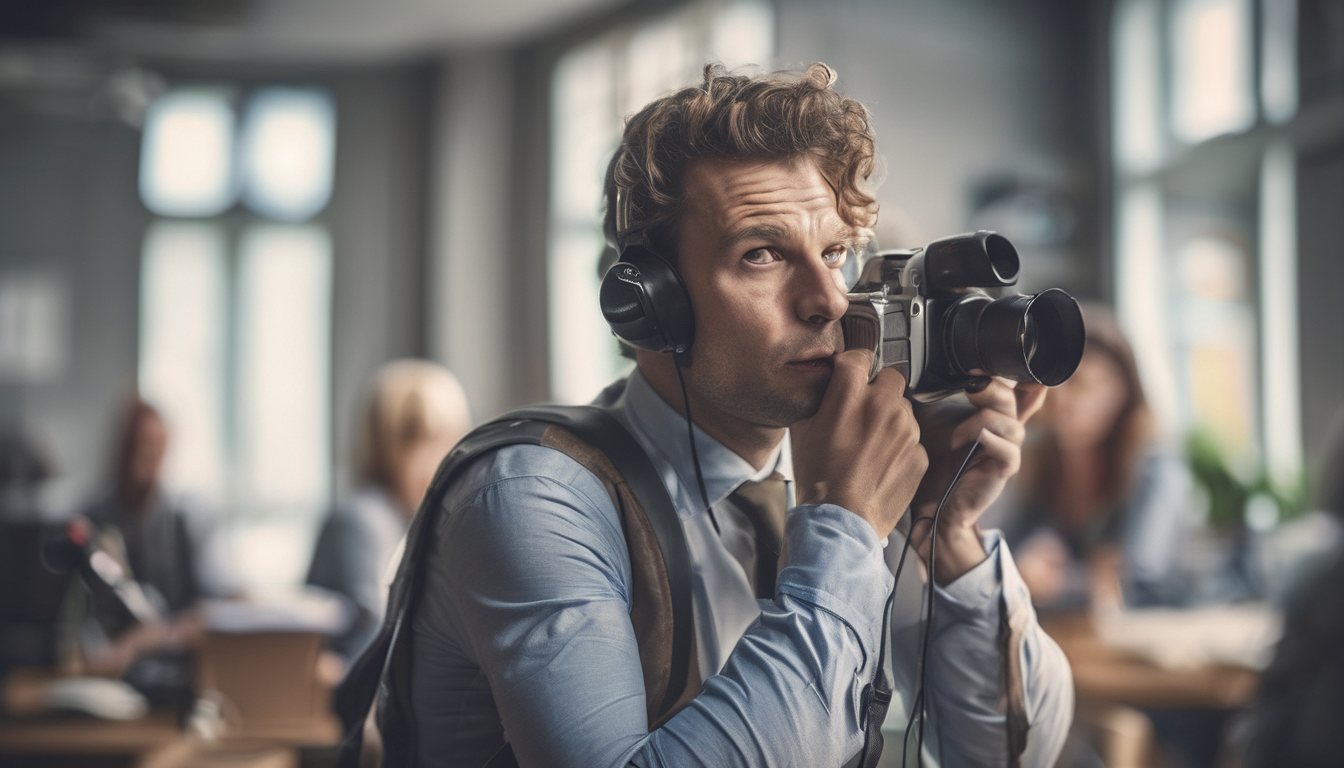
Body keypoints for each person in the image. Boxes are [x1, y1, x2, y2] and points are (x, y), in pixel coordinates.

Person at [399, 64, 1072, 767]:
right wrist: (841, 527)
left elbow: (1007, 756)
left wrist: (944, 531)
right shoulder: (533, 498)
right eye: (762, 253)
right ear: (655, 304)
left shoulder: (844, 479)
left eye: (834, 252)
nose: (829, 301)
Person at [1000, 304, 1194, 611]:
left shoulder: (1154, 467)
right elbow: (1004, 556)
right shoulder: (1038, 460)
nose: (1063, 398)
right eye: (1055, 381)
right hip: (1061, 643)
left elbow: (1139, 586)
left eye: (1083, 383)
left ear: (1122, 393)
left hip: (1140, 644)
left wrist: (1057, 583)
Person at [307, 359, 471, 660]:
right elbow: (370, 651)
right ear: (388, 445)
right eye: (426, 441)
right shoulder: (363, 523)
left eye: (451, 440)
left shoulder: (412, 520)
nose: (445, 458)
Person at [80, 399, 212, 676]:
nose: (147, 453)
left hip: (172, 672)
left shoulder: (183, 521)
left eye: (155, 444)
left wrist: (141, 642)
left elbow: (210, 611)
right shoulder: (92, 519)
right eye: (139, 443)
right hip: (104, 672)